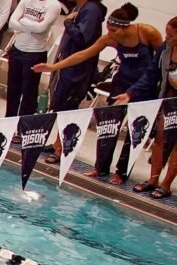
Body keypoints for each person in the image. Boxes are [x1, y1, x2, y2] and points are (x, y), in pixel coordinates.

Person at [36, 4, 163, 180]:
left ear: (125, 28)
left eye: (113, 31)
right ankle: (100, 168)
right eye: (108, 30)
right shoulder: (109, 39)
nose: (110, 34)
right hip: (121, 83)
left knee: (135, 132)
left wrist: (157, 89)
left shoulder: (147, 33)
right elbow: (83, 55)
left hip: (145, 86)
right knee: (108, 126)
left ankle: (121, 173)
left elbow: (160, 61)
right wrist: (53, 66)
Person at [134, 16, 177, 196]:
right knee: (160, 138)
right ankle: (153, 179)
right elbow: (151, 74)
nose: (165, 38)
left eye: (170, 35)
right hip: (168, 99)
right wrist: (131, 92)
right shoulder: (164, 49)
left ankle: (166, 185)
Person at [44, 0, 108, 119]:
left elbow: (83, 38)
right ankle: (59, 137)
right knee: (59, 106)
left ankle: (62, 137)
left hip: (76, 70)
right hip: (68, 65)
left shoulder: (91, 10)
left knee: (65, 109)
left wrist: (68, 22)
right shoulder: (80, 8)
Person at [5, 0, 67, 115]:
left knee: (29, 94)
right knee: (12, 91)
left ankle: (23, 127)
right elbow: (12, 23)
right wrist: (32, 27)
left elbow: (41, 29)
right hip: (17, 50)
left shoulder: (53, 5)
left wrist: (22, 20)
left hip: (35, 53)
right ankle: (8, 122)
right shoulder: (26, 1)